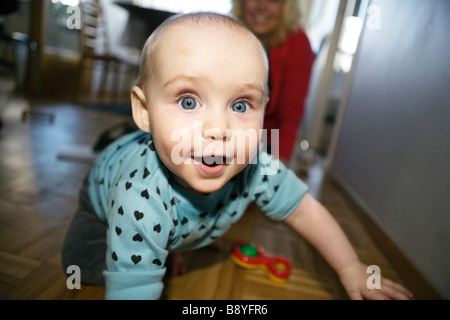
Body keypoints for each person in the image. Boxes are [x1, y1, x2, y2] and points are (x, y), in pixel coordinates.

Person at [61, 12, 412, 300]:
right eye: (188, 101)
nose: (219, 128)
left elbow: (305, 211)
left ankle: (165, 244)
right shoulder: (140, 193)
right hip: (102, 200)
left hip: (165, 211)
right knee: (86, 262)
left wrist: (351, 268)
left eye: (241, 104)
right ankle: (152, 234)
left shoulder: (257, 165)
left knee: (158, 244)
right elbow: (132, 291)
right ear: (144, 110)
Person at [231, 0, 315, 164]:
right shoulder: (225, 34)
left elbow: (290, 115)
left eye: (273, 0)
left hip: (267, 142)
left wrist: (277, 172)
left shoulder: (298, 43)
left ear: (286, 7)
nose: (262, 6)